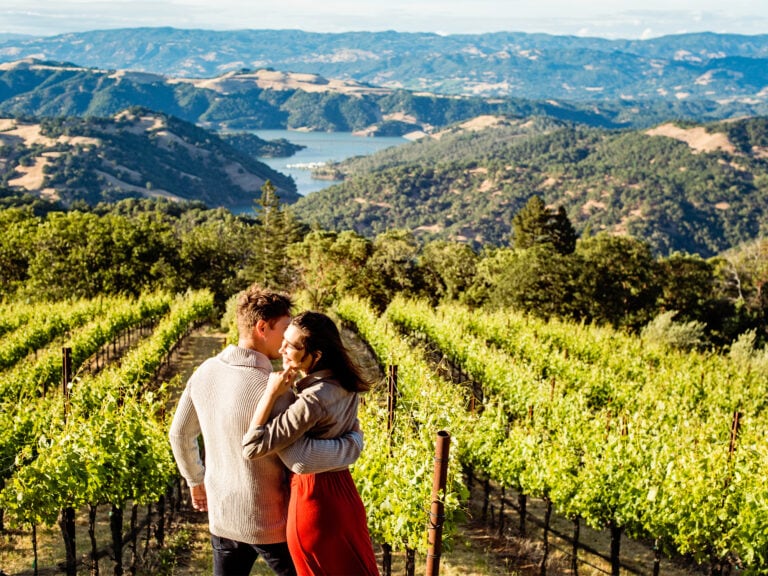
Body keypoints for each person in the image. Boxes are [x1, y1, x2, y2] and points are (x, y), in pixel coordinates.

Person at [169, 285, 364, 576]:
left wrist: (195, 481)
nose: (287, 339)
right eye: (284, 329)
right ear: (262, 327)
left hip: (223, 516)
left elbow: (179, 433)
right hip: (272, 521)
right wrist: (353, 444)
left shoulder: (205, 371)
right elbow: (302, 457)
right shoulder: (275, 390)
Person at [242, 311, 379, 576]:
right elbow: (350, 434)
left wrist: (271, 393)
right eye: (284, 340)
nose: (282, 347)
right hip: (345, 496)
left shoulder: (311, 400)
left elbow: (251, 447)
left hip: (315, 502)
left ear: (315, 356)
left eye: (292, 345)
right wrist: (353, 445)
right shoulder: (346, 383)